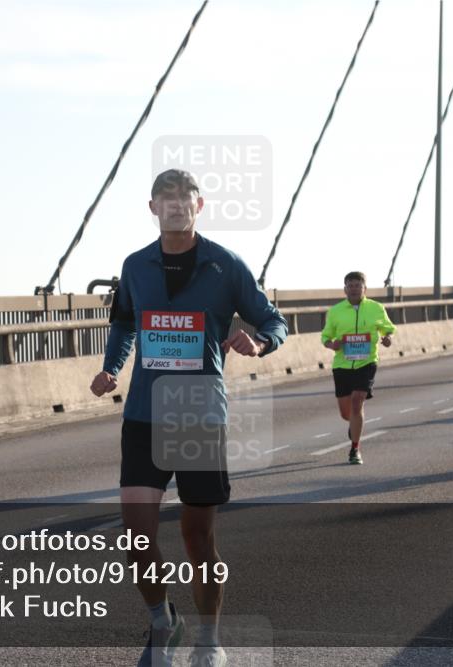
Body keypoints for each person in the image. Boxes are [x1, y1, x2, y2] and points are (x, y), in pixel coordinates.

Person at [90, 169, 287, 667]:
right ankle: (163, 623)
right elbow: (124, 324)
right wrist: (111, 368)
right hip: (143, 415)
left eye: (185, 197)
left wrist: (259, 341)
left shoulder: (226, 266)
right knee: (137, 537)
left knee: (198, 540)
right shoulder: (136, 266)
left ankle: (209, 639)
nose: (176, 205)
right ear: (152, 207)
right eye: (166, 198)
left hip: (199, 415)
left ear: (200, 205)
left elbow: (273, 320)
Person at [321, 271, 396, 465]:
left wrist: (388, 339)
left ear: (364, 288)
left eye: (357, 285)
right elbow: (325, 337)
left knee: (357, 401)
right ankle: (354, 425)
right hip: (342, 364)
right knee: (346, 413)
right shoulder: (336, 311)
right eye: (350, 285)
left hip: (367, 361)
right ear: (345, 289)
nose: (354, 288)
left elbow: (388, 330)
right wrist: (332, 344)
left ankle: (355, 448)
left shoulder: (376, 308)